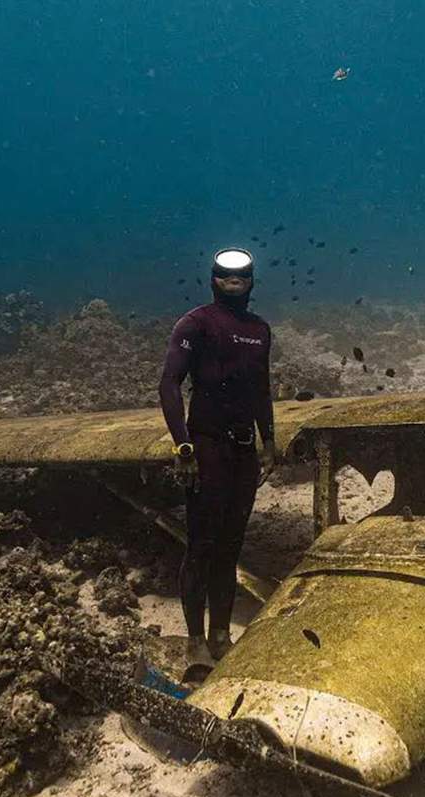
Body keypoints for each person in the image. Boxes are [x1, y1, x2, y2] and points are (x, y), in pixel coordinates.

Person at [159, 247, 277, 664]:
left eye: (241, 276)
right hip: (205, 447)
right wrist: (183, 444)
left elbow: (261, 389)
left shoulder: (260, 330)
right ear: (212, 279)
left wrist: (269, 441)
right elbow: (169, 385)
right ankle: (195, 642)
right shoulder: (196, 324)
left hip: (244, 452)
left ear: (251, 282)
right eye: (226, 276)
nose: (234, 282)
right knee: (201, 547)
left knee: (230, 547)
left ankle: (221, 635)